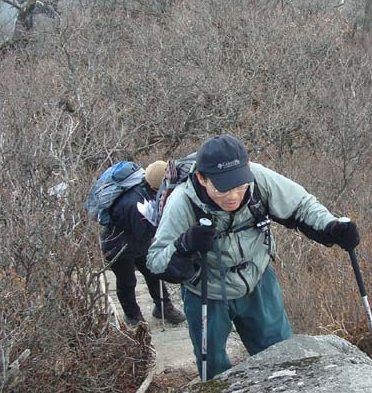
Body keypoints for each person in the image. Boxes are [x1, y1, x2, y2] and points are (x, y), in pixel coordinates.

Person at [147, 135, 360, 378]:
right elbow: (155, 261)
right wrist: (184, 245)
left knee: (281, 355)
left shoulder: (258, 179)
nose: (234, 196)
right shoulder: (182, 202)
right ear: (201, 178)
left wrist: (332, 228)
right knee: (213, 366)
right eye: (223, 187)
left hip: (257, 278)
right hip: (207, 289)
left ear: (247, 169)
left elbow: (301, 205)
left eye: (239, 185)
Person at [102, 160, 186, 327]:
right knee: (127, 281)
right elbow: (142, 230)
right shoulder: (133, 202)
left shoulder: (148, 190)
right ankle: (132, 315)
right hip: (119, 246)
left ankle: (163, 306)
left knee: (155, 272)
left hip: (139, 243)